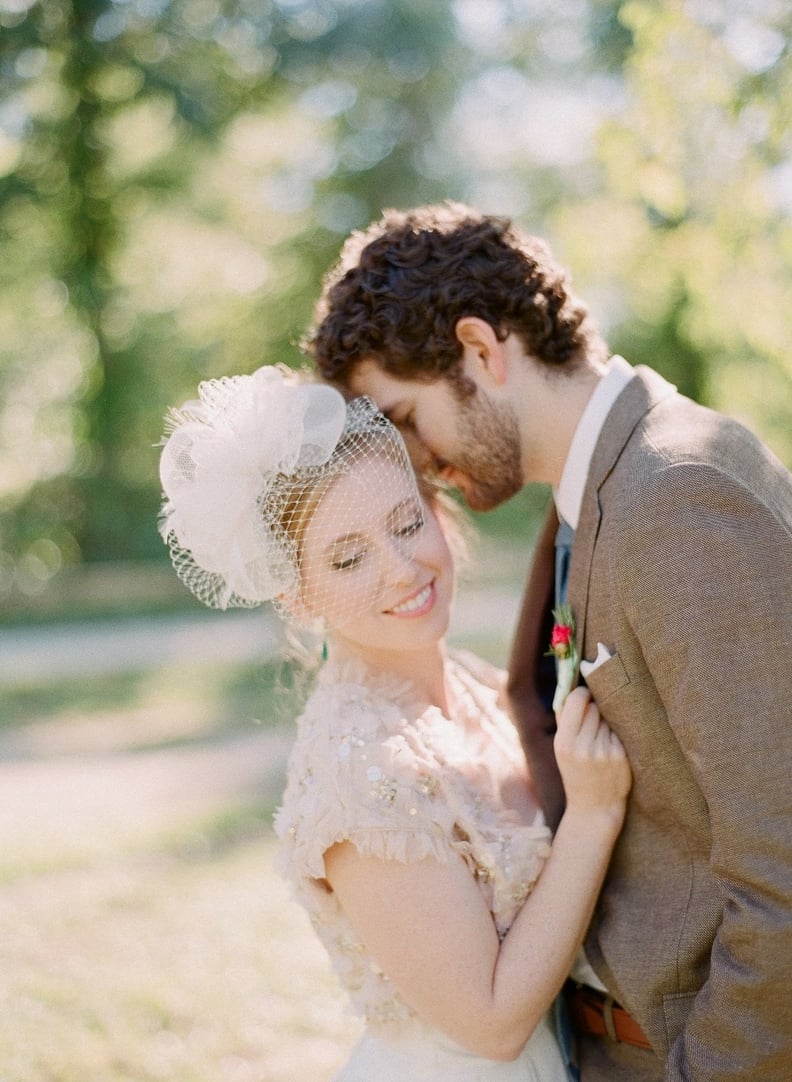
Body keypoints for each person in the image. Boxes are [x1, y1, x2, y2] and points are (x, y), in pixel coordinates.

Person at [305, 201, 792, 1081]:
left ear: (483, 352)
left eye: (405, 418)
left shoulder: (677, 495)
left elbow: (783, 865)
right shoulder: (591, 493)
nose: (413, 465)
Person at [157, 362, 631, 1082]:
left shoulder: (472, 682)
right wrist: (594, 816)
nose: (403, 569)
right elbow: (495, 1022)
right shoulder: (361, 775)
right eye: (348, 559)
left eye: (407, 522)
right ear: (296, 596)